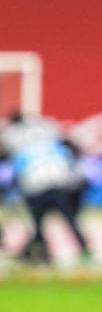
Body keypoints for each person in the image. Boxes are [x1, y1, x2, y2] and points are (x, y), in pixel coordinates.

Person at [0, 111, 91, 263]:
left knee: (37, 220)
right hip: (62, 179)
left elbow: (6, 156)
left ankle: (40, 251)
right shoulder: (47, 127)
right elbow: (70, 146)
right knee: (69, 218)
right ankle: (84, 250)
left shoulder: (10, 135)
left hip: (34, 182)